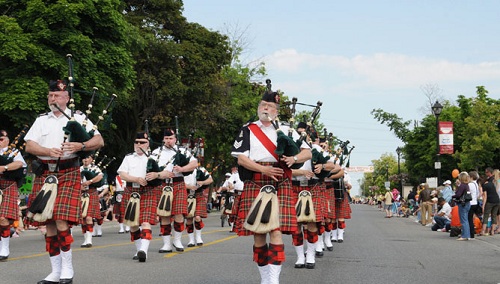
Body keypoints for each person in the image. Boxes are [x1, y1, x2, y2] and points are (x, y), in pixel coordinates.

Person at [25, 80, 104, 284]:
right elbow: (30, 146)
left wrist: (82, 144)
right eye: (50, 95)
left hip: (68, 172)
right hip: (45, 173)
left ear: (67, 98)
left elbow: (99, 141)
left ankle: (68, 268)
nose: (53, 99)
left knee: (60, 219)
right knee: (48, 222)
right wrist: (47, 151)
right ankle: (55, 271)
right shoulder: (41, 120)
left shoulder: (78, 118)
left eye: (57, 96)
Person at [231, 87, 311, 283]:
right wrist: (262, 169)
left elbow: (307, 153)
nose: (265, 108)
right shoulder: (248, 129)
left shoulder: (285, 130)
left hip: (280, 182)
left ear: (276, 110)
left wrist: (294, 158)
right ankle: (264, 277)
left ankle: (273, 280)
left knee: (275, 230)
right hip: (257, 180)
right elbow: (241, 159)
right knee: (258, 234)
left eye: (270, 106)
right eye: (263, 105)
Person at [117, 132, 163, 262]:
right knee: (133, 224)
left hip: (148, 190)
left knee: (145, 221)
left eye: (142, 142)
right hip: (131, 190)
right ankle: (139, 250)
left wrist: (156, 175)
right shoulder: (128, 157)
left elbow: (166, 173)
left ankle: (144, 250)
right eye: (136, 142)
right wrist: (136, 178)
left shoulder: (155, 157)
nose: (138, 145)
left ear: (148, 143)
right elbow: (122, 174)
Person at [153, 129, 198, 253]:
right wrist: (160, 174)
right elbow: (151, 168)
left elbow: (194, 164)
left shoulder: (182, 151)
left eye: (171, 138)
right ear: (163, 139)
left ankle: (177, 240)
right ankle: (166, 244)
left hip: (178, 183)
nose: (168, 141)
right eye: (166, 139)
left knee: (179, 214)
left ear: (175, 139)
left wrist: (182, 168)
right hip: (163, 184)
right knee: (164, 215)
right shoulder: (156, 152)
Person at [0, 130, 27, 261]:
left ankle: (4, 248)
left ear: (7, 140)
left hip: (8, 186)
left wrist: (4, 167)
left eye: (1, 139)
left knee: (3, 218)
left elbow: (20, 164)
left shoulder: (14, 152)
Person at [184, 166, 213, 246]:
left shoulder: (201, 169)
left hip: (198, 194)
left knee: (197, 217)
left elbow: (210, 180)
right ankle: (191, 240)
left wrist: (202, 183)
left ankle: (198, 237)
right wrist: (189, 187)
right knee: (189, 218)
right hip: (186, 194)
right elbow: (178, 182)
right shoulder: (183, 169)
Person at [79, 155, 104, 248]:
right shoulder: (79, 169)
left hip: (92, 192)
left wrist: (90, 181)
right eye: (84, 158)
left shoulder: (94, 168)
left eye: (87, 158)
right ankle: (85, 239)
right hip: (81, 193)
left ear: (91, 159)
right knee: (83, 218)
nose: (85, 159)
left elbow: (100, 176)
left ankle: (89, 240)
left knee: (89, 217)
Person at [451, 171, 472, 241]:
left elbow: (458, 195)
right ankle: (467, 234)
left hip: (462, 204)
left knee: (463, 220)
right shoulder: (467, 185)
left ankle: (464, 235)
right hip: (467, 203)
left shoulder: (462, 185)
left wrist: (453, 196)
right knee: (466, 220)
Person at [480, 167, 499, 236]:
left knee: (486, 215)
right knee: (494, 215)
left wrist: (483, 205)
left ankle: (483, 230)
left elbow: (485, 196)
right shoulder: (492, 182)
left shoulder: (485, 185)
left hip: (490, 201)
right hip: (497, 200)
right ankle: (492, 231)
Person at [467, 171, 481, 239]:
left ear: (471, 177)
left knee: (469, 219)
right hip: (475, 202)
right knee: (471, 218)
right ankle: (472, 233)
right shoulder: (476, 184)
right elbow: (478, 194)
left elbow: (467, 193)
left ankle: (470, 233)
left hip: (470, 203)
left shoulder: (470, 184)